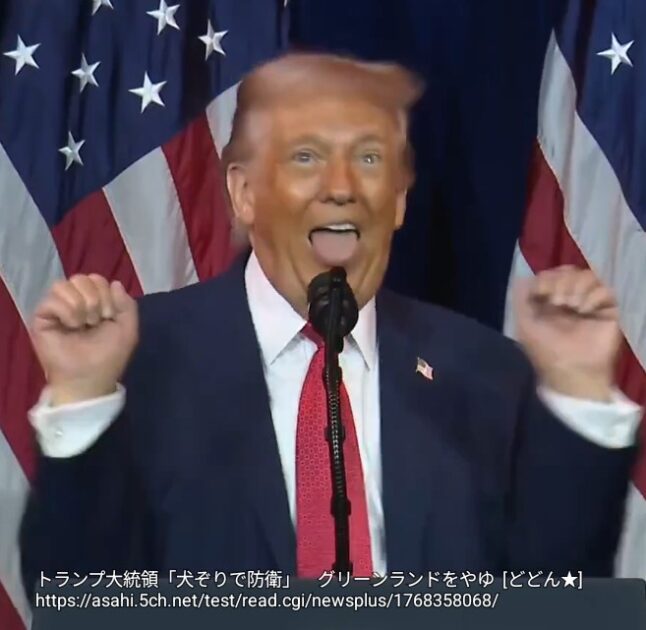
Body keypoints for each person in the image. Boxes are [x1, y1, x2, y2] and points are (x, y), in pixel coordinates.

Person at [21, 53, 641, 594]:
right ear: (244, 194)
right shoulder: (140, 359)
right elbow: (78, 601)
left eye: (369, 158)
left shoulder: (484, 373)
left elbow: (557, 600)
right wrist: (85, 401)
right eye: (307, 157)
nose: (342, 188)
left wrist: (579, 394)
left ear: (398, 199)